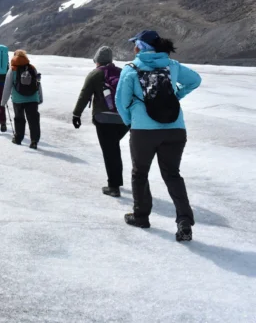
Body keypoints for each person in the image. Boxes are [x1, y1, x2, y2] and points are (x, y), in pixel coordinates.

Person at [115, 30, 201, 242]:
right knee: (172, 174)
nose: (133, 47)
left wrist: (132, 121)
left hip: (143, 131)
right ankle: (184, 221)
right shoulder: (172, 66)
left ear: (141, 47)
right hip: (175, 129)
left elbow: (121, 102)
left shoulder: (131, 69)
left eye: (135, 43)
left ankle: (141, 216)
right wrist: (176, 95)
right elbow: (195, 80)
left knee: (140, 173)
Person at [72, 46, 129, 198]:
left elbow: (84, 95)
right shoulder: (123, 72)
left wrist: (76, 114)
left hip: (103, 119)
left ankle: (113, 186)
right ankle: (116, 181)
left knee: (110, 151)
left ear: (97, 60)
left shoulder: (95, 74)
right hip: (124, 119)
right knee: (114, 148)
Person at [1, 50, 42, 149]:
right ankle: (34, 141)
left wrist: (3, 101)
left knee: (19, 119)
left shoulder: (12, 69)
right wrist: (39, 98)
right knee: (33, 120)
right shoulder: (32, 68)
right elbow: (38, 84)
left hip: (18, 99)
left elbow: (7, 86)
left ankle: (18, 139)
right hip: (33, 98)